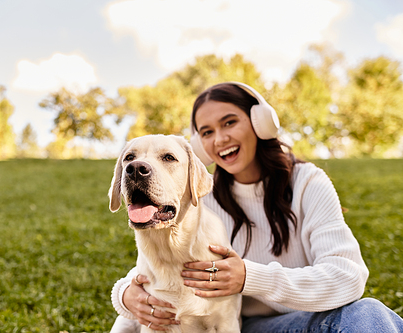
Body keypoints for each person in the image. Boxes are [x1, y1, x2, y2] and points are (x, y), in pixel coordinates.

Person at [109, 82, 403, 332]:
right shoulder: (197, 195)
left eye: (229, 123)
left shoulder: (308, 183)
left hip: (308, 322)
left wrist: (250, 277)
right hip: (245, 326)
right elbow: (155, 265)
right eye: (207, 132)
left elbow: (348, 277)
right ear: (199, 145)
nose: (220, 139)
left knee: (368, 315)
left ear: (260, 123)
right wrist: (124, 295)